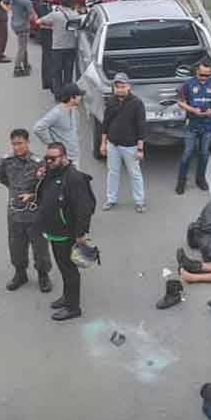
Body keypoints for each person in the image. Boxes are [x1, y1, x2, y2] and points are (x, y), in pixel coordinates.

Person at [37, 142, 96, 321]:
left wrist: (80, 234)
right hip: (54, 231)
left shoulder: (74, 178)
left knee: (69, 270)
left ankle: (73, 307)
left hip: (67, 234)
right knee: (63, 267)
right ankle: (66, 297)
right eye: (47, 158)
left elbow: (84, 208)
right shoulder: (51, 172)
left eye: (53, 158)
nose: (49, 161)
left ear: (64, 157)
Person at [0, 128, 52, 293]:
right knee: (16, 247)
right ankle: (20, 274)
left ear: (27, 143)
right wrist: (13, 189)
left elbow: (46, 187)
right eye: (14, 144)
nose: (17, 147)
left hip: (35, 213)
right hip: (15, 213)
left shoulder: (38, 163)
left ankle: (43, 275)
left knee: (40, 248)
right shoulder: (6, 161)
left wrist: (33, 195)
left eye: (20, 143)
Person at [176, 58, 211, 194]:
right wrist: (192, 110)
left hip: (208, 125)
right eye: (201, 75)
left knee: (204, 154)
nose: (204, 78)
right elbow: (180, 102)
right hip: (192, 124)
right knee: (187, 154)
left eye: (207, 75)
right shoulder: (188, 85)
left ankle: (200, 179)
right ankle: (181, 181)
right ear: (197, 72)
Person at [101, 72, 146, 213]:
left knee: (135, 174)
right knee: (112, 172)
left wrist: (140, 149)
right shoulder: (111, 101)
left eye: (122, 86)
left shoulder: (137, 103)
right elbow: (105, 124)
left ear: (128, 86)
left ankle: (139, 201)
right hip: (112, 144)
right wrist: (103, 143)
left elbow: (141, 127)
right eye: (117, 86)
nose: (120, 89)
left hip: (130, 146)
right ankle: (111, 199)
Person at [37, 0, 82, 98]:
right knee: (68, 71)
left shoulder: (55, 15)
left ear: (61, 3)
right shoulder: (75, 15)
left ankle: (58, 93)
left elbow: (39, 21)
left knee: (56, 71)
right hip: (71, 47)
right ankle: (67, 93)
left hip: (57, 47)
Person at [33, 82, 83, 164]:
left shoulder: (73, 109)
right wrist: (53, 145)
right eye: (79, 95)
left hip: (74, 156)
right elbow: (38, 128)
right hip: (63, 159)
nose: (80, 97)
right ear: (72, 98)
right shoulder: (56, 113)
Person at [2, 0, 36, 77]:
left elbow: (3, 3)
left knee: (23, 45)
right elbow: (31, 15)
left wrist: (10, 10)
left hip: (14, 24)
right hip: (23, 26)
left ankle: (26, 64)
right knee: (22, 47)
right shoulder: (26, 0)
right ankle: (17, 68)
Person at [34, 0, 55, 90]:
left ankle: (48, 80)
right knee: (47, 57)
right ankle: (47, 81)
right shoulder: (42, 5)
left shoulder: (48, 4)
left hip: (49, 33)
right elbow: (42, 21)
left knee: (48, 57)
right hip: (46, 33)